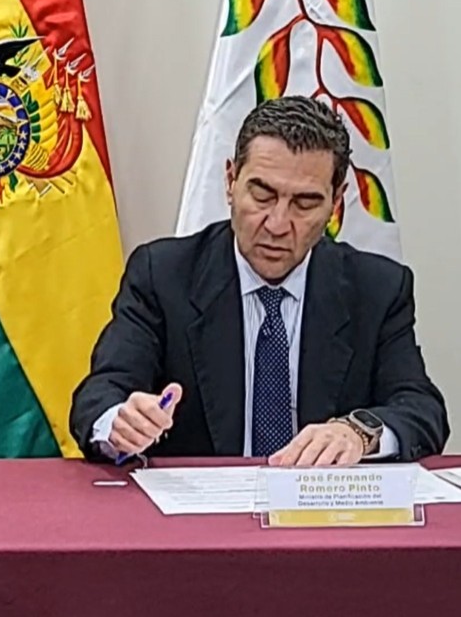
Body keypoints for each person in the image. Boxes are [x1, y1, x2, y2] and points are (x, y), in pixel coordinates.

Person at [70, 96, 448, 467]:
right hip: (201, 506)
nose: (277, 224)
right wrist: (122, 422)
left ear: (336, 203)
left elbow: (421, 408)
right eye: (262, 195)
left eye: (304, 204)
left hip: (318, 505)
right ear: (230, 181)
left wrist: (358, 432)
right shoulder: (163, 275)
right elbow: (100, 396)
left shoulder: (377, 289)